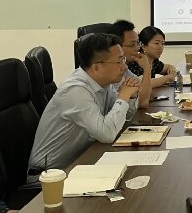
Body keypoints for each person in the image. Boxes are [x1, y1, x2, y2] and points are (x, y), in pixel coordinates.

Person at [27, 33, 140, 181]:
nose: (124, 67)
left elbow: (125, 119)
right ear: (97, 67)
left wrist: (130, 97)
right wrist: (124, 96)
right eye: (119, 61)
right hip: (50, 177)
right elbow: (107, 134)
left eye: (123, 59)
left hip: (79, 163)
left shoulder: (103, 83)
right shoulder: (76, 90)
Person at [110, 19, 151, 107]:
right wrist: (147, 68)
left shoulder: (124, 68)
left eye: (138, 43)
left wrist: (147, 67)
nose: (137, 48)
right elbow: (142, 103)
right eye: (132, 45)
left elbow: (143, 100)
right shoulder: (111, 70)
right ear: (118, 47)